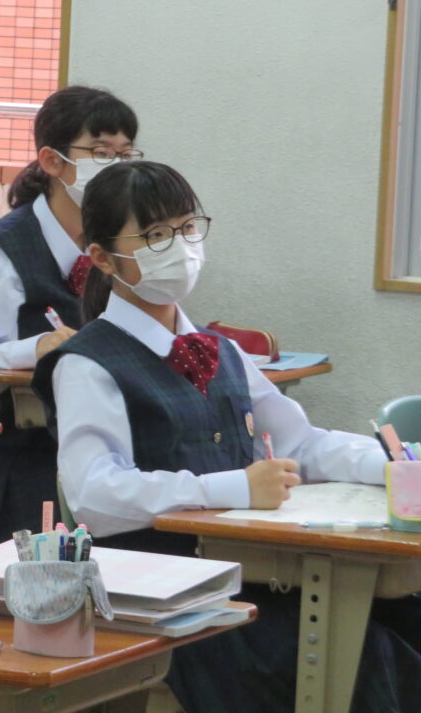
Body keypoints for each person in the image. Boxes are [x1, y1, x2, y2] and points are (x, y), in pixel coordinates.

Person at [32, 160, 421, 712]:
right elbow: (95, 494)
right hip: (172, 596)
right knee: (359, 656)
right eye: (156, 235)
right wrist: (235, 486)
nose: (181, 247)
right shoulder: (87, 364)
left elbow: (301, 444)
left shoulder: (223, 350)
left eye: (188, 228)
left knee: (404, 619)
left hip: (254, 574)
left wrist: (393, 465)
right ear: (102, 257)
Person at [0, 85, 141, 550]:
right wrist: (36, 347)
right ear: (52, 161)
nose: (117, 167)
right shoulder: (0, 253)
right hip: (13, 465)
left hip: (94, 448)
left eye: (126, 154)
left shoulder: (115, 243)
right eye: (101, 153)